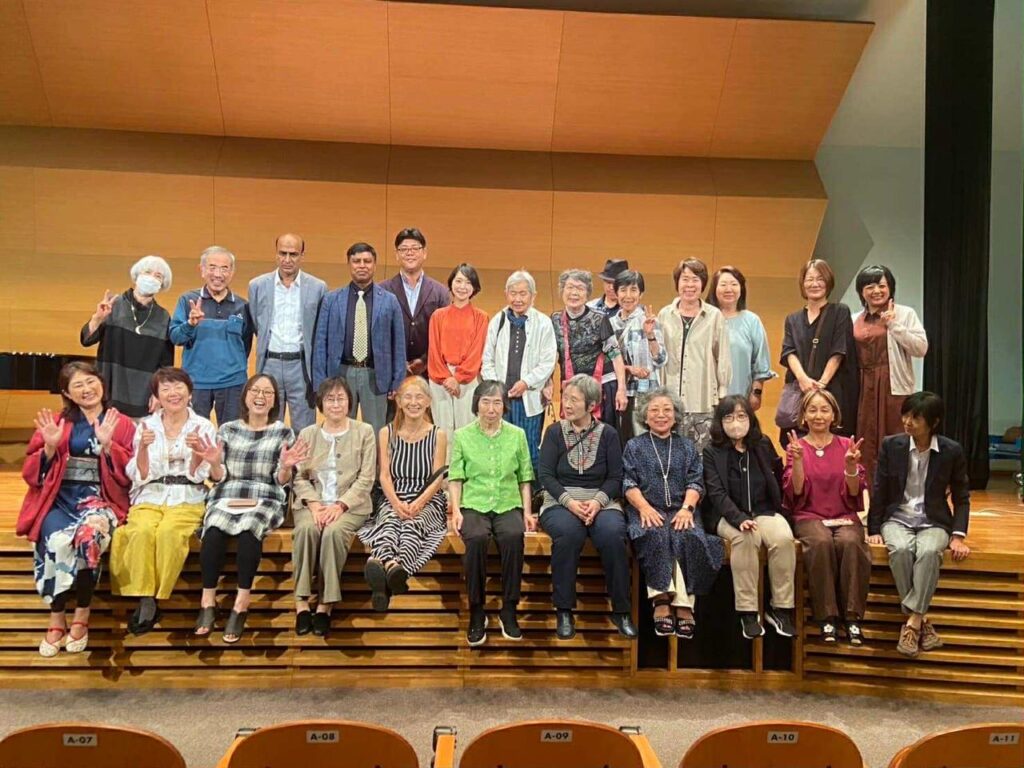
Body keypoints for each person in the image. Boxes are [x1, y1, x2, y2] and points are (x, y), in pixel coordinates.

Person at [17, 362, 135, 657]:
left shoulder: (122, 422)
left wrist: (109, 446)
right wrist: (49, 448)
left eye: (91, 381)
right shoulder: (58, 422)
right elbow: (31, 474)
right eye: (78, 385)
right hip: (60, 500)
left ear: (101, 383)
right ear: (67, 394)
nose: (87, 389)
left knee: (89, 539)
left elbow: (130, 475)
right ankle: (57, 615)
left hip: (102, 500)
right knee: (56, 541)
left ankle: (82, 612)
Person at [191, 374, 308, 643]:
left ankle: (241, 602)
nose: (260, 397)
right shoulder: (227, 429)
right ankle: (207, 601)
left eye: (267, 393)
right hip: (227, 493)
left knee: (249, 531)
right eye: (255, 391)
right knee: (213, 531)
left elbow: (280, 480)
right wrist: (214, 463)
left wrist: (286, 466)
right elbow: (219, 477)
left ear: (275, 401)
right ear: (245, 396)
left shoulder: (283, 432)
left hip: (265, 495)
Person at [109, 367, 217, 635]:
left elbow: (199, 474)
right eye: (165, 388)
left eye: (178, 387)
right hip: (151, 493)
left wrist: (197, 452)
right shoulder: (146, 425)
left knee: (169, 533)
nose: (173, 393)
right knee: (140, 531)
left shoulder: (203, 426)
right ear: (157, 396)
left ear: (189, 393)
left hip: (187, 495)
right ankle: (147, 600)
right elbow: (140, 473)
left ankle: (158, 593)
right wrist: (143, 448)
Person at [867, 392, 970, 657]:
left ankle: (912, 623)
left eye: (916, 417)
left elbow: (961, 497)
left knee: (929, 551)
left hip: (934, 520)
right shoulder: (891, 445)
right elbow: (879, 489)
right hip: (897, 517)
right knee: (901, 550)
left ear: (933, 422)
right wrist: (874, 529)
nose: (907, 422)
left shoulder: (951, 451)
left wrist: (958, 535)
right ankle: (921, 620)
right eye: (905, 415)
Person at [537, 375, 635, 639]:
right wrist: (570, 503)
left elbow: (616, 477)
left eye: (574, 400)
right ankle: (564, 610)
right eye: (565, 398)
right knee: (568, 534)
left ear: (591, 405)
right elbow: (546, 475)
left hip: (601, 501)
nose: (567, 404)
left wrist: (596, 502)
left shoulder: (609, 434)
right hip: (560, 501)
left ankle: (621, 610)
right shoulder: (554, 432)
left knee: (613, 534)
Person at [622, 388, 723, 640]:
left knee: (687, 535)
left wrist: (687, 509)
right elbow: (628, 483)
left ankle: (683, 602)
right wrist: (644, 507)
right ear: (644, 416)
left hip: (682, 510)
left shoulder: (687, 446)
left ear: (676, 415)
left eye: (667, 410)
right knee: (655, 533)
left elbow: (696, 482)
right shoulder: (634, 446)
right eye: (654, 410)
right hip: (645, 509)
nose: (661, 415)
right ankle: (662, 599)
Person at [703, 395, 797, 640]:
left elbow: (778, 477)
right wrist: (738, 518)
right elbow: (716, 493)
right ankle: (748, 611)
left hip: (763, 510)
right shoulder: (712, 451)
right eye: (729, 417)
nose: (736, 422)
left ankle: (781, 608)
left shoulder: (762, 444)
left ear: (750, 418)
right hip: (727, 514)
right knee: (746, 537)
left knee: (783, 538)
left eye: (741, 416)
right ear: (720, 421)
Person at [449, 381, 535, 647]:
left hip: (507, 502)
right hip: (474, 503)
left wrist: (528, 512)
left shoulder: (517, 434)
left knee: (513, 536)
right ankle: (477, 610)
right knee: (475, 538)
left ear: (504, 406)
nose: (491, 408)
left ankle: (509, 608)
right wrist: (455, 510)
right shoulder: (462, 435)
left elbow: (525, 478)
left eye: (497, 402)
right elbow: (456, 477)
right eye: (485, 402)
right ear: (476, 404)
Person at [291, 377, 376, 637]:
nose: (336, 404)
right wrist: (315, 504)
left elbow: (366, 478)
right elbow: (299, 477)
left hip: (350, 506)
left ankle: (325, 605)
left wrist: (340, 505)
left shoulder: (364, 431)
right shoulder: (308, 434)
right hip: (313, 504)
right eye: (330, 399)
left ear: (349, 402)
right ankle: (301, 602)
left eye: (341, 398)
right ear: (321, 404)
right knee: (306, 530)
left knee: (333, 533)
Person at [783, 389, 870, 645]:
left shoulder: (845, 446)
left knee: (851, 543)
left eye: (824, 410)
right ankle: (827, 617)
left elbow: (854, 492)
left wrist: (851, 467)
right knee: (820, 543)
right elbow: (796, 491)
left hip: (844, 514)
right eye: (812, 410)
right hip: (810, 515)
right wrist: (798, 461)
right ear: (803, 416)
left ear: (834, 415)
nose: (818, 415)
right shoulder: (796, 447)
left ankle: (852, 617)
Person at [358, 377, 448, 612]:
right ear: (398, 401)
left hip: (427, 498)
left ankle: (380, 567)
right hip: (393, 495)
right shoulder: (386, 432)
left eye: (419, 397)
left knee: (411, 526)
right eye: (407, 397)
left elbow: (437, 478)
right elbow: (384, 476)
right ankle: (393, 568)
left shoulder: (438, 434)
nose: (413, 402)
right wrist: (396, 503)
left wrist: (418, 503)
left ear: (428, 401)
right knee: (389, 523)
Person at [312, 242, 406, 435]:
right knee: (340, 429)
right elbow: (320, 343)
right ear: (349, 264)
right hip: (341, 373)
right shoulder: (331, 299)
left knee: (377, 431)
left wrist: (397, 382)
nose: (362, 265)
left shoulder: (389, 300)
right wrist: (321, 382)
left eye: (367, 261)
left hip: (376, 375)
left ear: (374, 264)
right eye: (356, 261)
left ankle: (377, 458)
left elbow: (398, 345)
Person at [852, 265, 928, 481]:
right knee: (865, 442)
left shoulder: (905, 314)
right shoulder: (853, 318)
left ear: (890, 288)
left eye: (882, 285)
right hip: (863, 388)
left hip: (894, 387)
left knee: (896, 439)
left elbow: (921, 348)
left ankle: (897, 492)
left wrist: (894, 325)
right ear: (861, 291)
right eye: (870, 286)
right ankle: (868, 495)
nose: (876, 291)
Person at [480, 270, 557, 478]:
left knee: (529, 449)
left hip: (528, 398)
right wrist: (496, 386)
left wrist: (526, 382)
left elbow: (548, 362)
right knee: (500, 447)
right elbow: (487, 359)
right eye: (513, 293)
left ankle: (530, 492)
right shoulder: (498, 320)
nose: (518, 299)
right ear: (506, 294)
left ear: (533, 296)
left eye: (523, 293)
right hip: (501, 399)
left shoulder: (543, 323)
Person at [248, 233, 328, 432]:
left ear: (302, 256)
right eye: (282, 253)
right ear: (276, 254)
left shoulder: (318, 287)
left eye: (293, 254)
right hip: (269, 363)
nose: (287, 259)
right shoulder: (257, 285)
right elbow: (257, 324)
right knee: (268, 425)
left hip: (301, 367)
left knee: (304, 429)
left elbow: (320, 331)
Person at [80, 255, 175, 418]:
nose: (152, 278)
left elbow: (165, 362)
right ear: (137, 275)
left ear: (162, 284)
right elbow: (86, 340)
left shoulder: (163, 316)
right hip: (111, 389)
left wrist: (159, 392)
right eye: (147, 272)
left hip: (143, 395)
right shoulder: (114, 305)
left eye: (158, 276)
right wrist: (97, 318)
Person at [169, 246, 253, 424]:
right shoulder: (188, 300)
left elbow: (245, 345)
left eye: (224, 268)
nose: (218, 274)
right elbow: (175, 338)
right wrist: (190, 324)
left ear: (232, 272)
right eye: (212, 267)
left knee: (231, 434)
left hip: (233, 384)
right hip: (196, 382)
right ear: (202, 270)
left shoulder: (243, 305)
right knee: (195, 434)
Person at [780, 258, 859, 444]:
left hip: (832, 389)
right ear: (802, 283)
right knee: (798, 443)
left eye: (820, 279)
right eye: (809, 279)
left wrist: (821, 384)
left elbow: (839, 350)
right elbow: (789, 352)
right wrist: (803, 380)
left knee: (833, 443)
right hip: (800, 390)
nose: (814, 284)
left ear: (828, 282)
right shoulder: (792, 319)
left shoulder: (840, 312)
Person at [658, 258, 731, 453]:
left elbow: (723, 357)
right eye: (685, 279)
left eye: (695, 279)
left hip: (703, 400)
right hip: (670, 403)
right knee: (669, 457)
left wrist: (722, 393)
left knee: (700, 458)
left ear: (703, 284)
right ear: (677, 283)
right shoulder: (664, 314)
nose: (689, 285)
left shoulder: (714, 316)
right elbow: (659, 357)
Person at [552, 269, 627, 428]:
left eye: (580, 288)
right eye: (570, 287)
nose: (574, 293)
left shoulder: (599, 319)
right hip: (570, 390)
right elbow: (550, 357)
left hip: (600, 390)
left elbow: (615, 355)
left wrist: (621, 389)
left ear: (587, 294)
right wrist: (547, 384)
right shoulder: (555, 320)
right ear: (562, 291)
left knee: (600, 436)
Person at [427, 263, 489, 452]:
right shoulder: (438, 316)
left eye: (468, 283)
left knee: (467, 428)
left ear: (474, 288)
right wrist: (446, 377)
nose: (462, 287)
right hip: (440, 378)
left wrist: (458, 378)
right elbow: (434, 350)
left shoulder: (481, 317)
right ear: (451, 283)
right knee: (442, 428)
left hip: (468, 379)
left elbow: (477, 351)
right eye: (459, 281)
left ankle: (467, 468)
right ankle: (443, 468)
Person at [380, 228, 450, 382]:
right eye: (404, 249)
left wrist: (424, 361)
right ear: (397, 255)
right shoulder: (382, 291)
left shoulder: (440, 292)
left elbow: (444, 336)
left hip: (430, 373)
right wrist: (397, 361)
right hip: (391, 373)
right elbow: (379, 333)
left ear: (424, 253)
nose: (409, 253)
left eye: (415, 248)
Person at [706, 265, 776, 410]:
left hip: (740, 398)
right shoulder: (705, 319)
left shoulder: (752, 320)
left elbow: (760, 363)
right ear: (714, 289)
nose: (729, 289)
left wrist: (756, 393)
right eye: (723, 284)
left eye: (734, 284)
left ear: (741, 288)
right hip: (704, 399)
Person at [609, 269, 665, 440]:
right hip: (617, 391)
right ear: (616, 293)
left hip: (644, 393)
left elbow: (661, 360)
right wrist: (629, 369)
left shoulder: (649, 321)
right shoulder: (609, 324)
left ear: (641, 294)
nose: (628, 296)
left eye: (633, 290)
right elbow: (605, 361)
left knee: (644, 442)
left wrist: (650, 335)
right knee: (621, 441)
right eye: (623, 290)